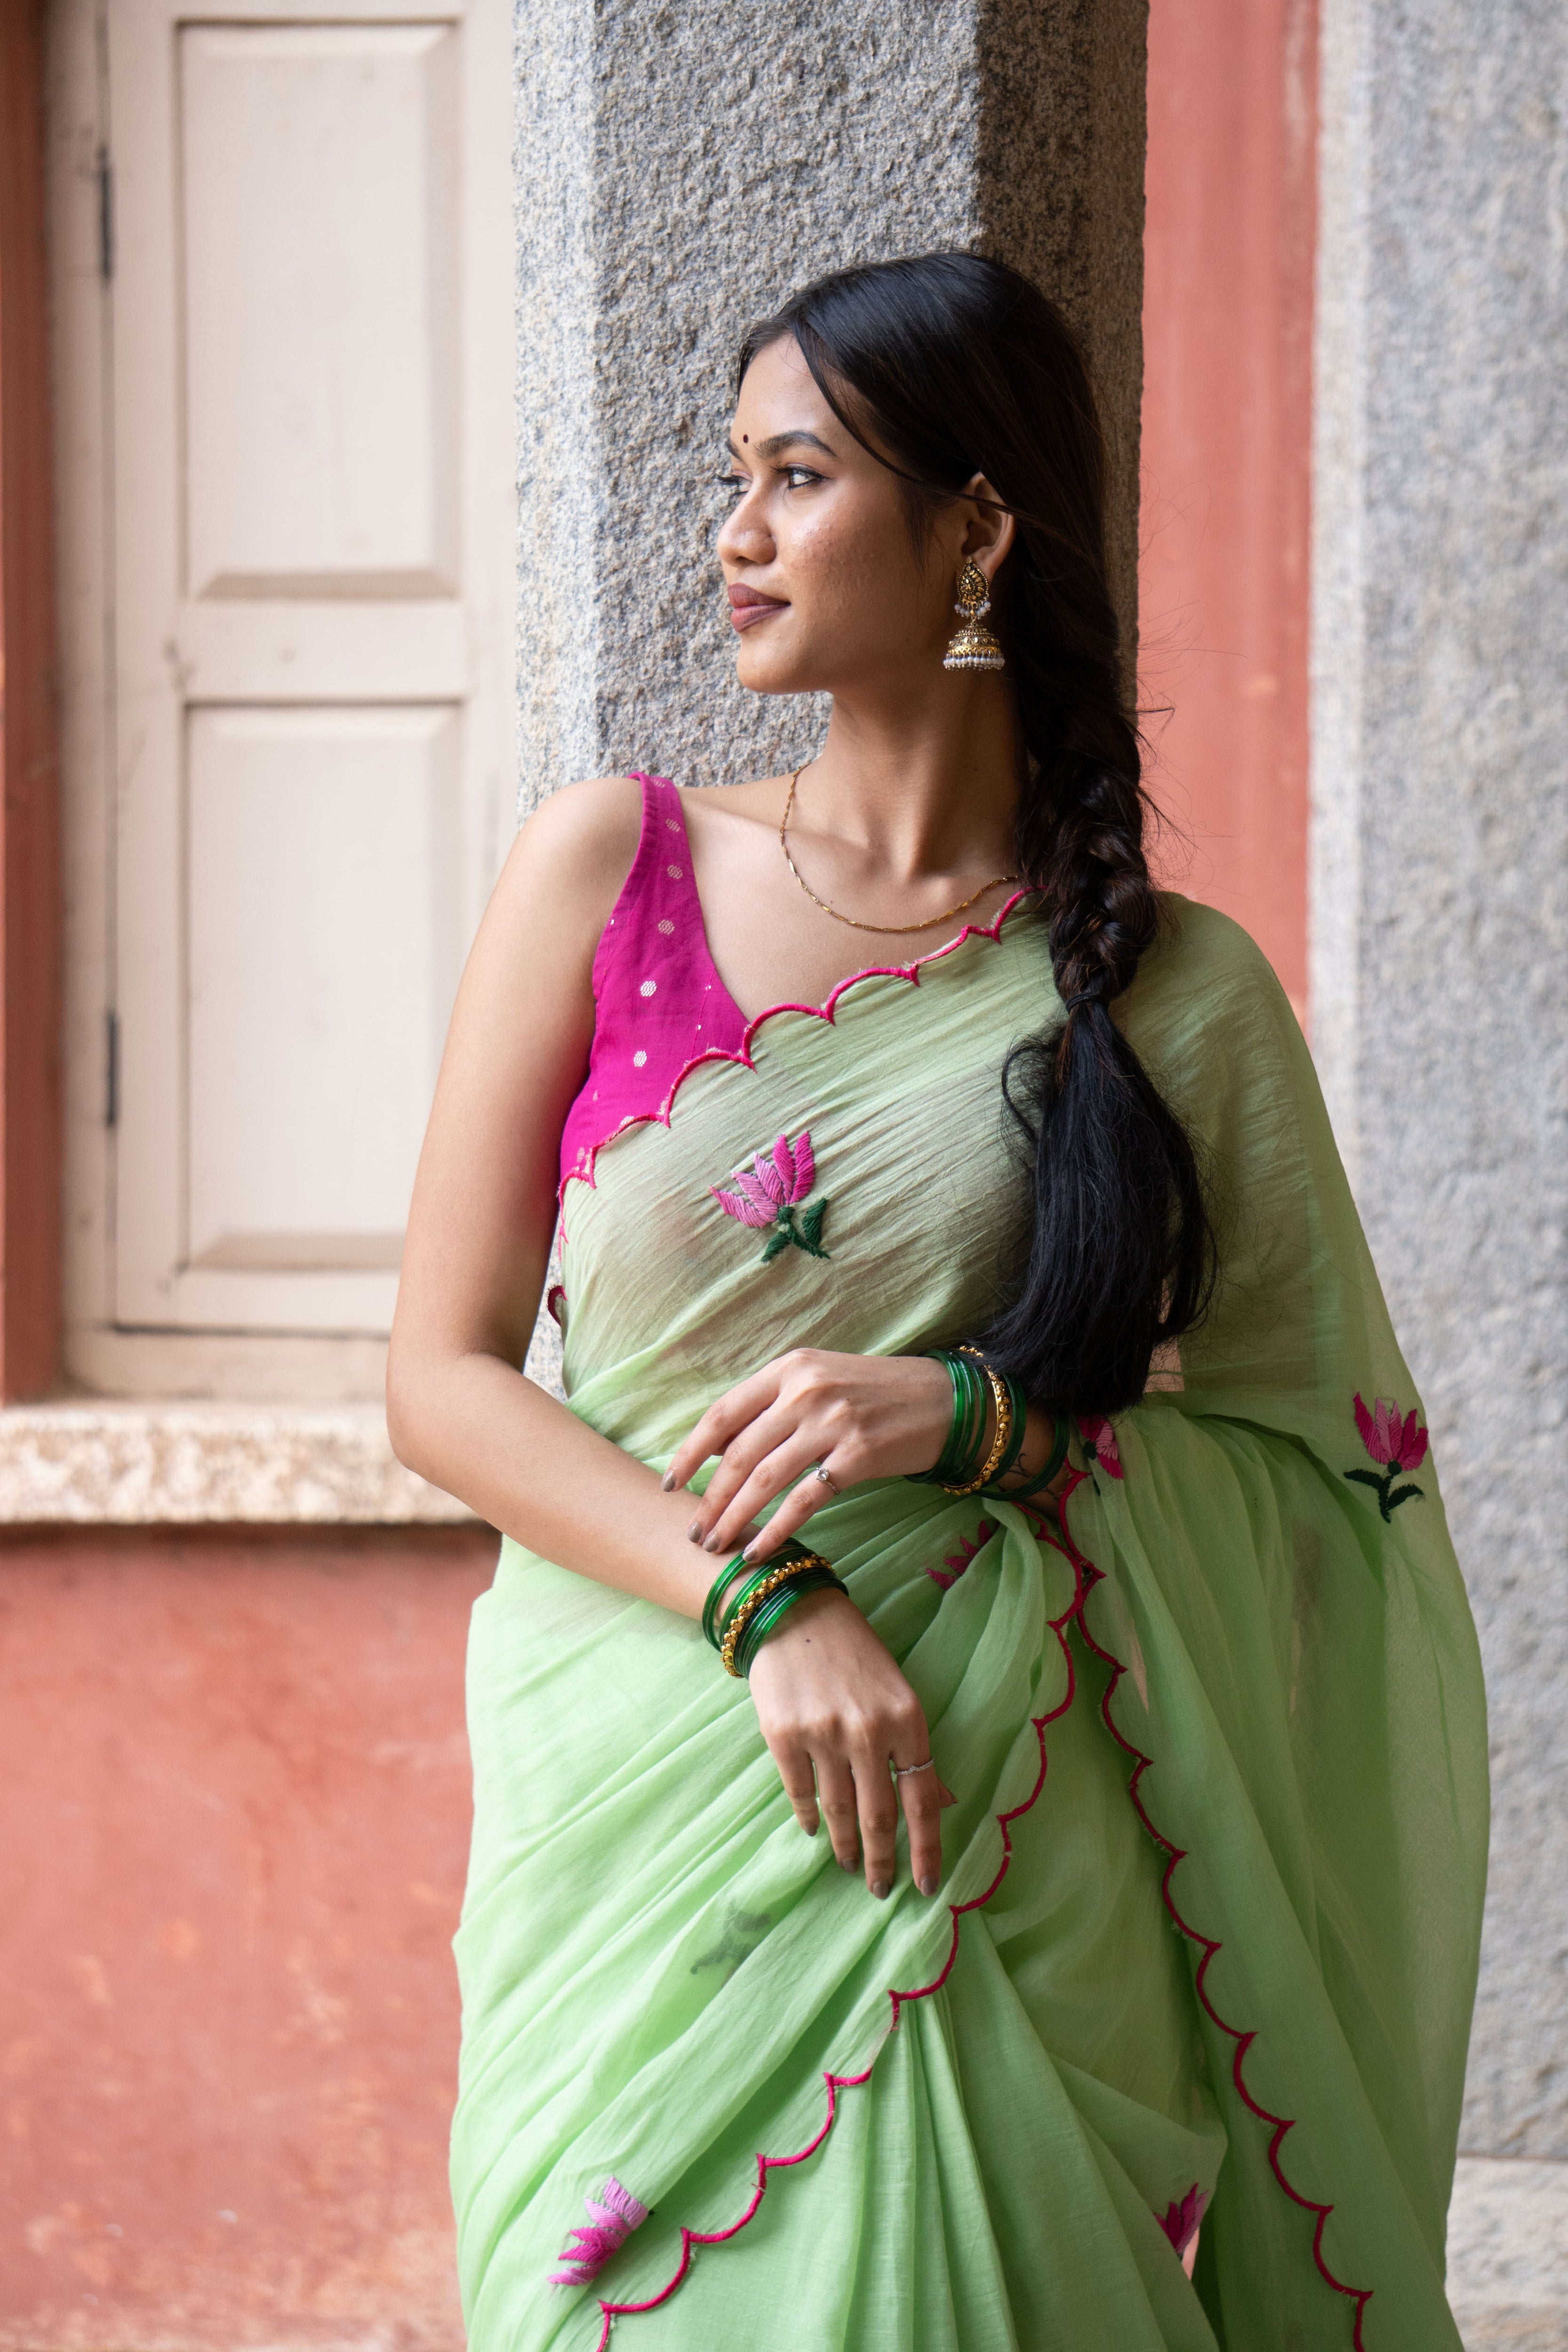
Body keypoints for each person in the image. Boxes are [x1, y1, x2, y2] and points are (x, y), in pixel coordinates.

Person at [387, 251, 1487, 2351]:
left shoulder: (1174, 992)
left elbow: (1316, 1461)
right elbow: (441, 1381)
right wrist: (761, 1601)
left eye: (798, 478)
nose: (735, 536)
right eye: (733, 477)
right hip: (645, 1823)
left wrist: (983, 1415)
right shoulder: (608, 870)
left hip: (994, 1845)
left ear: (976, 531)